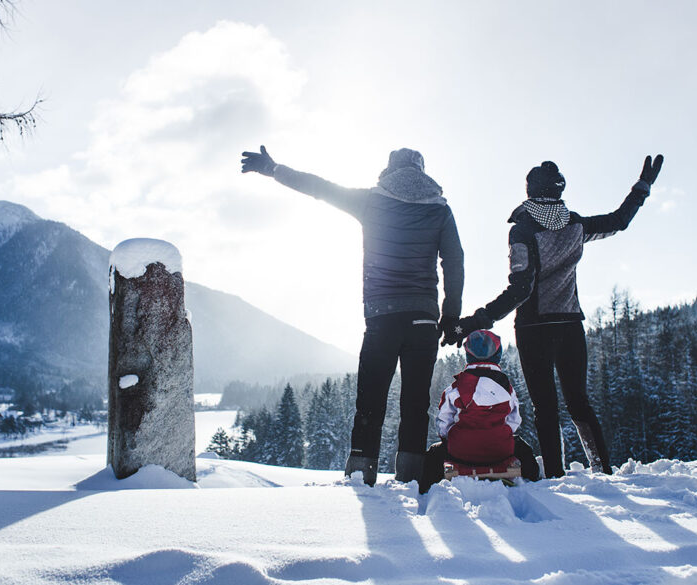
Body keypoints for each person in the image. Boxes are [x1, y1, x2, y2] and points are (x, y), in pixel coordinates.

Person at [241, 145, 464, 486]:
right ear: (422, 171)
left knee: (371, 399)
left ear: (389, 170)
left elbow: (319, 187)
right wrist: (450, 316)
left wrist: (273, 169)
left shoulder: (372, 201)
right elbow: (455, 263)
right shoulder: (441, 210)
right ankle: (412, 478)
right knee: (416, 403)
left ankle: (362, 476)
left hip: (381, 316)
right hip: (423, 318)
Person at [444, 155, 664, 478]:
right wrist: (642, 187)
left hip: (534, 330)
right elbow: (619, 221)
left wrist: (476, 321)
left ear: (530, 191)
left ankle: (557, 479)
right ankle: (603, 473)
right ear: (559, 190)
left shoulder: (523, 230)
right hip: (571, 326)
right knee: (579, 403)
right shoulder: (574, 224)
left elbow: (519, 290)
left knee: (545, 409)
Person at [421, 329, 540, 493]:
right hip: (500, 451)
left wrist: (452, 439)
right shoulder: (507, 388)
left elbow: (443, 421)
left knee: (434, 453)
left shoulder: (456, 388)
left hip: (461, 452)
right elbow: (514, 420)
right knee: (523, 449)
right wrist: (499, 435)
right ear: (497, 354)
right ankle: (533, 478)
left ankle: (425, 488)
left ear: (468, 355)